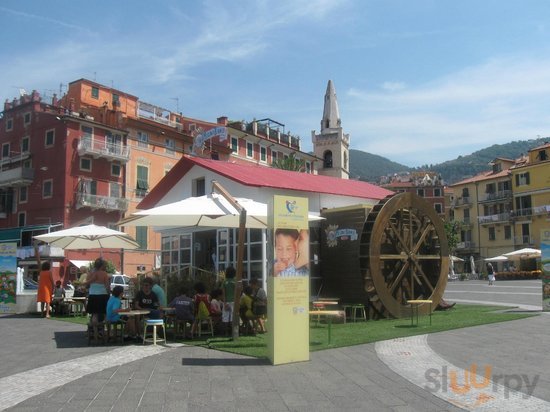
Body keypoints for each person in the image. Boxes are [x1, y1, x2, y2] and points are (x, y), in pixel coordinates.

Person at [85, 258, 111, 325]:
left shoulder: (90, 273)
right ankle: (105, 332)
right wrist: (109, 294)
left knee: (94, 314)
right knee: (105, 314)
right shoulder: (104, 273)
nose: (106, 266)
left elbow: (87, 285)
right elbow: (107, 286)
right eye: (105, 265)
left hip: (93, 294)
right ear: (102, 265)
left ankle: (95, 333)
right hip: (103, 295)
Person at [222, 266, 236, 332]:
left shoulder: (224, 282)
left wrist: (224, 303)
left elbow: (223, 294)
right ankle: (233, 331)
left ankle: (226, 332)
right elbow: (237, 293)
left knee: (226, 317)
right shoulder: (235, 281)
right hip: (234, 301)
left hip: (226, 301)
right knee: (233, 317)